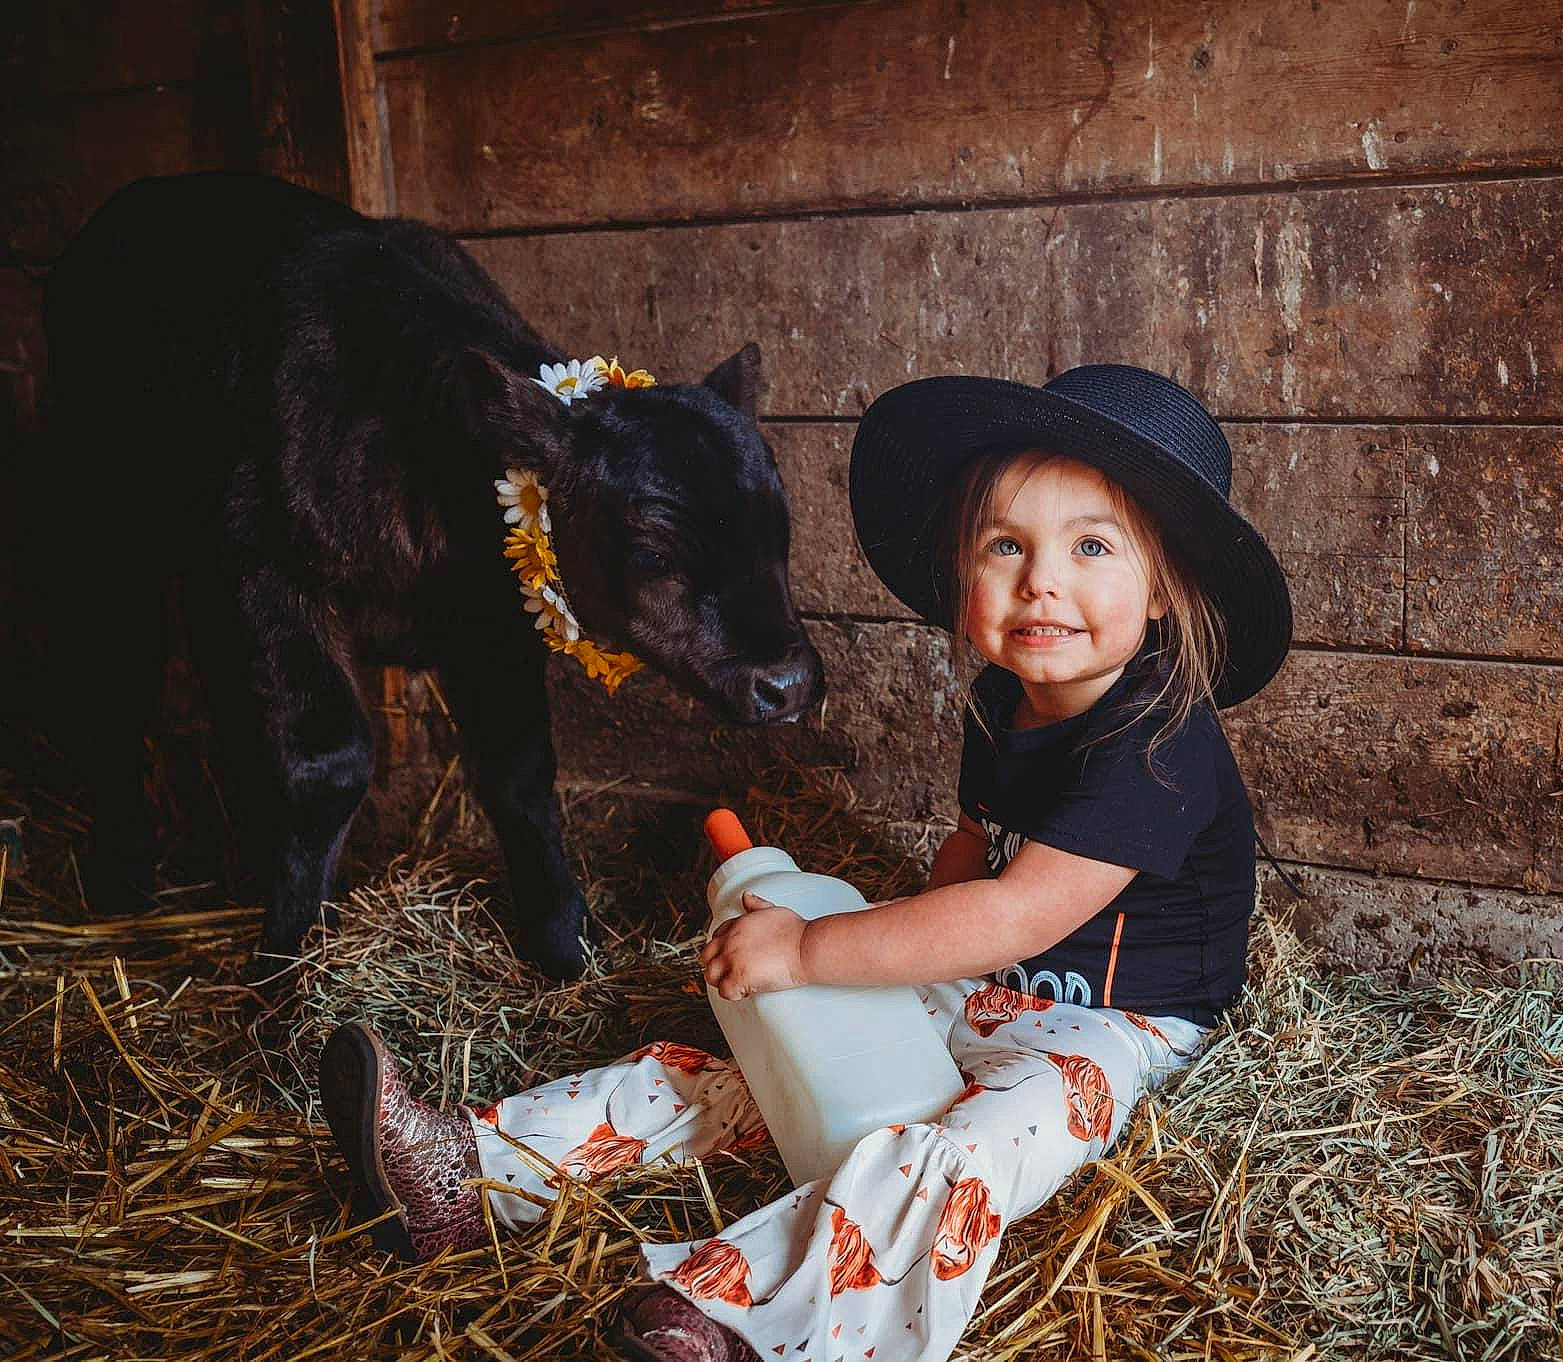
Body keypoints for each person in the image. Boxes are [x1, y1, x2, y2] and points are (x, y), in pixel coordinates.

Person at [318, 364, 1294, 1362]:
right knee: (762, 1065)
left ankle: (748, 1321)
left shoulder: (1157, 745)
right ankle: (468, 1171)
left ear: (1168, 587)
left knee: (964, 1150)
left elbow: (1015, 915)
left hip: (1115, 1028)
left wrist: (813, 950)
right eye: (1006, 545)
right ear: (963, 577)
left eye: (1091, 546)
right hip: (983, 984)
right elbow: (970, 853)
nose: (1039, 579)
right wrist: (873, 988)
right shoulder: (1004, 703)